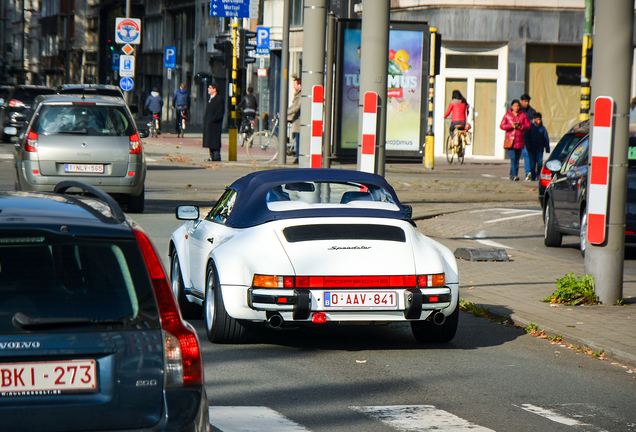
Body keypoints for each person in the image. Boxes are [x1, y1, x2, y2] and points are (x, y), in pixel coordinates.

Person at [500, 99, 531, 181]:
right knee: (513, 158)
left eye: (518, 106)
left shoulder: (523, 115)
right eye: (515, 106)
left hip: (520, 140)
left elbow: (528, 126)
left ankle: (512, 174)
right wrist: (511, 126)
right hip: (511, 140)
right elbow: (502, 125)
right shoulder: (507, 115)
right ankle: (514, 175)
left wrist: (521, 127)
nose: (516, 107)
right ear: (512, 106)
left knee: (517, 158)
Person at [525, 112, 551, 181]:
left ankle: (539, 175)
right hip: (531, 148)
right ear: (533, 120)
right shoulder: (529, 127)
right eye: (537, 119)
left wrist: (547, 148)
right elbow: (526, 137)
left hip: (539, 148)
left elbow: (546, 138)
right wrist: (528, 146)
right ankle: (533, 176)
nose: (539, 121)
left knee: (539, 163)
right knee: (532, 163)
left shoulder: (542, 128)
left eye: (540, 119)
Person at [202, 83, 224, 162]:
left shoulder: (219, 99)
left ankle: (216, 156)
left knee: (215, 140)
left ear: (215, 89)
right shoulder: (211, 98)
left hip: (215, 124)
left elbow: (219, 112)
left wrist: (212, 119)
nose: (208, 89)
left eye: (210, 88)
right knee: (210, 140)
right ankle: (212, 156)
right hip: (209, 124)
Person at [519, 94, 536, 181]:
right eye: (525, 101)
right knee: (515, 157)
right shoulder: (518, 111)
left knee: (527, 154)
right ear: (521, 101)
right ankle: (513, 174)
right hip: (518, 136)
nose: (526, 103)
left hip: (528, 136)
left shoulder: (532, 112)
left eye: (528, 101)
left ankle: (529, 173)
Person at [287, 77, 301, 163]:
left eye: (295, 84)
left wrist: (287, 112)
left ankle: (298, 157)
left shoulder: (301, 95)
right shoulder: (297, 94)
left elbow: (296, 107)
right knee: (296, 138)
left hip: (299, 121)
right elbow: (293, 106)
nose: (293, 86)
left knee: (299, 139)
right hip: (296, 120)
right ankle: (297, 155)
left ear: (300, 85)